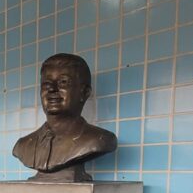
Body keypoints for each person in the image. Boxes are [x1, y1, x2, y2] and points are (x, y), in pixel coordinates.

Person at [12, 53, 117, 182]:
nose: (52, 89)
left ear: (84, 93)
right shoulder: (23, 145)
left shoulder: (99, 140)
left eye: (63, 82)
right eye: (46, 83)